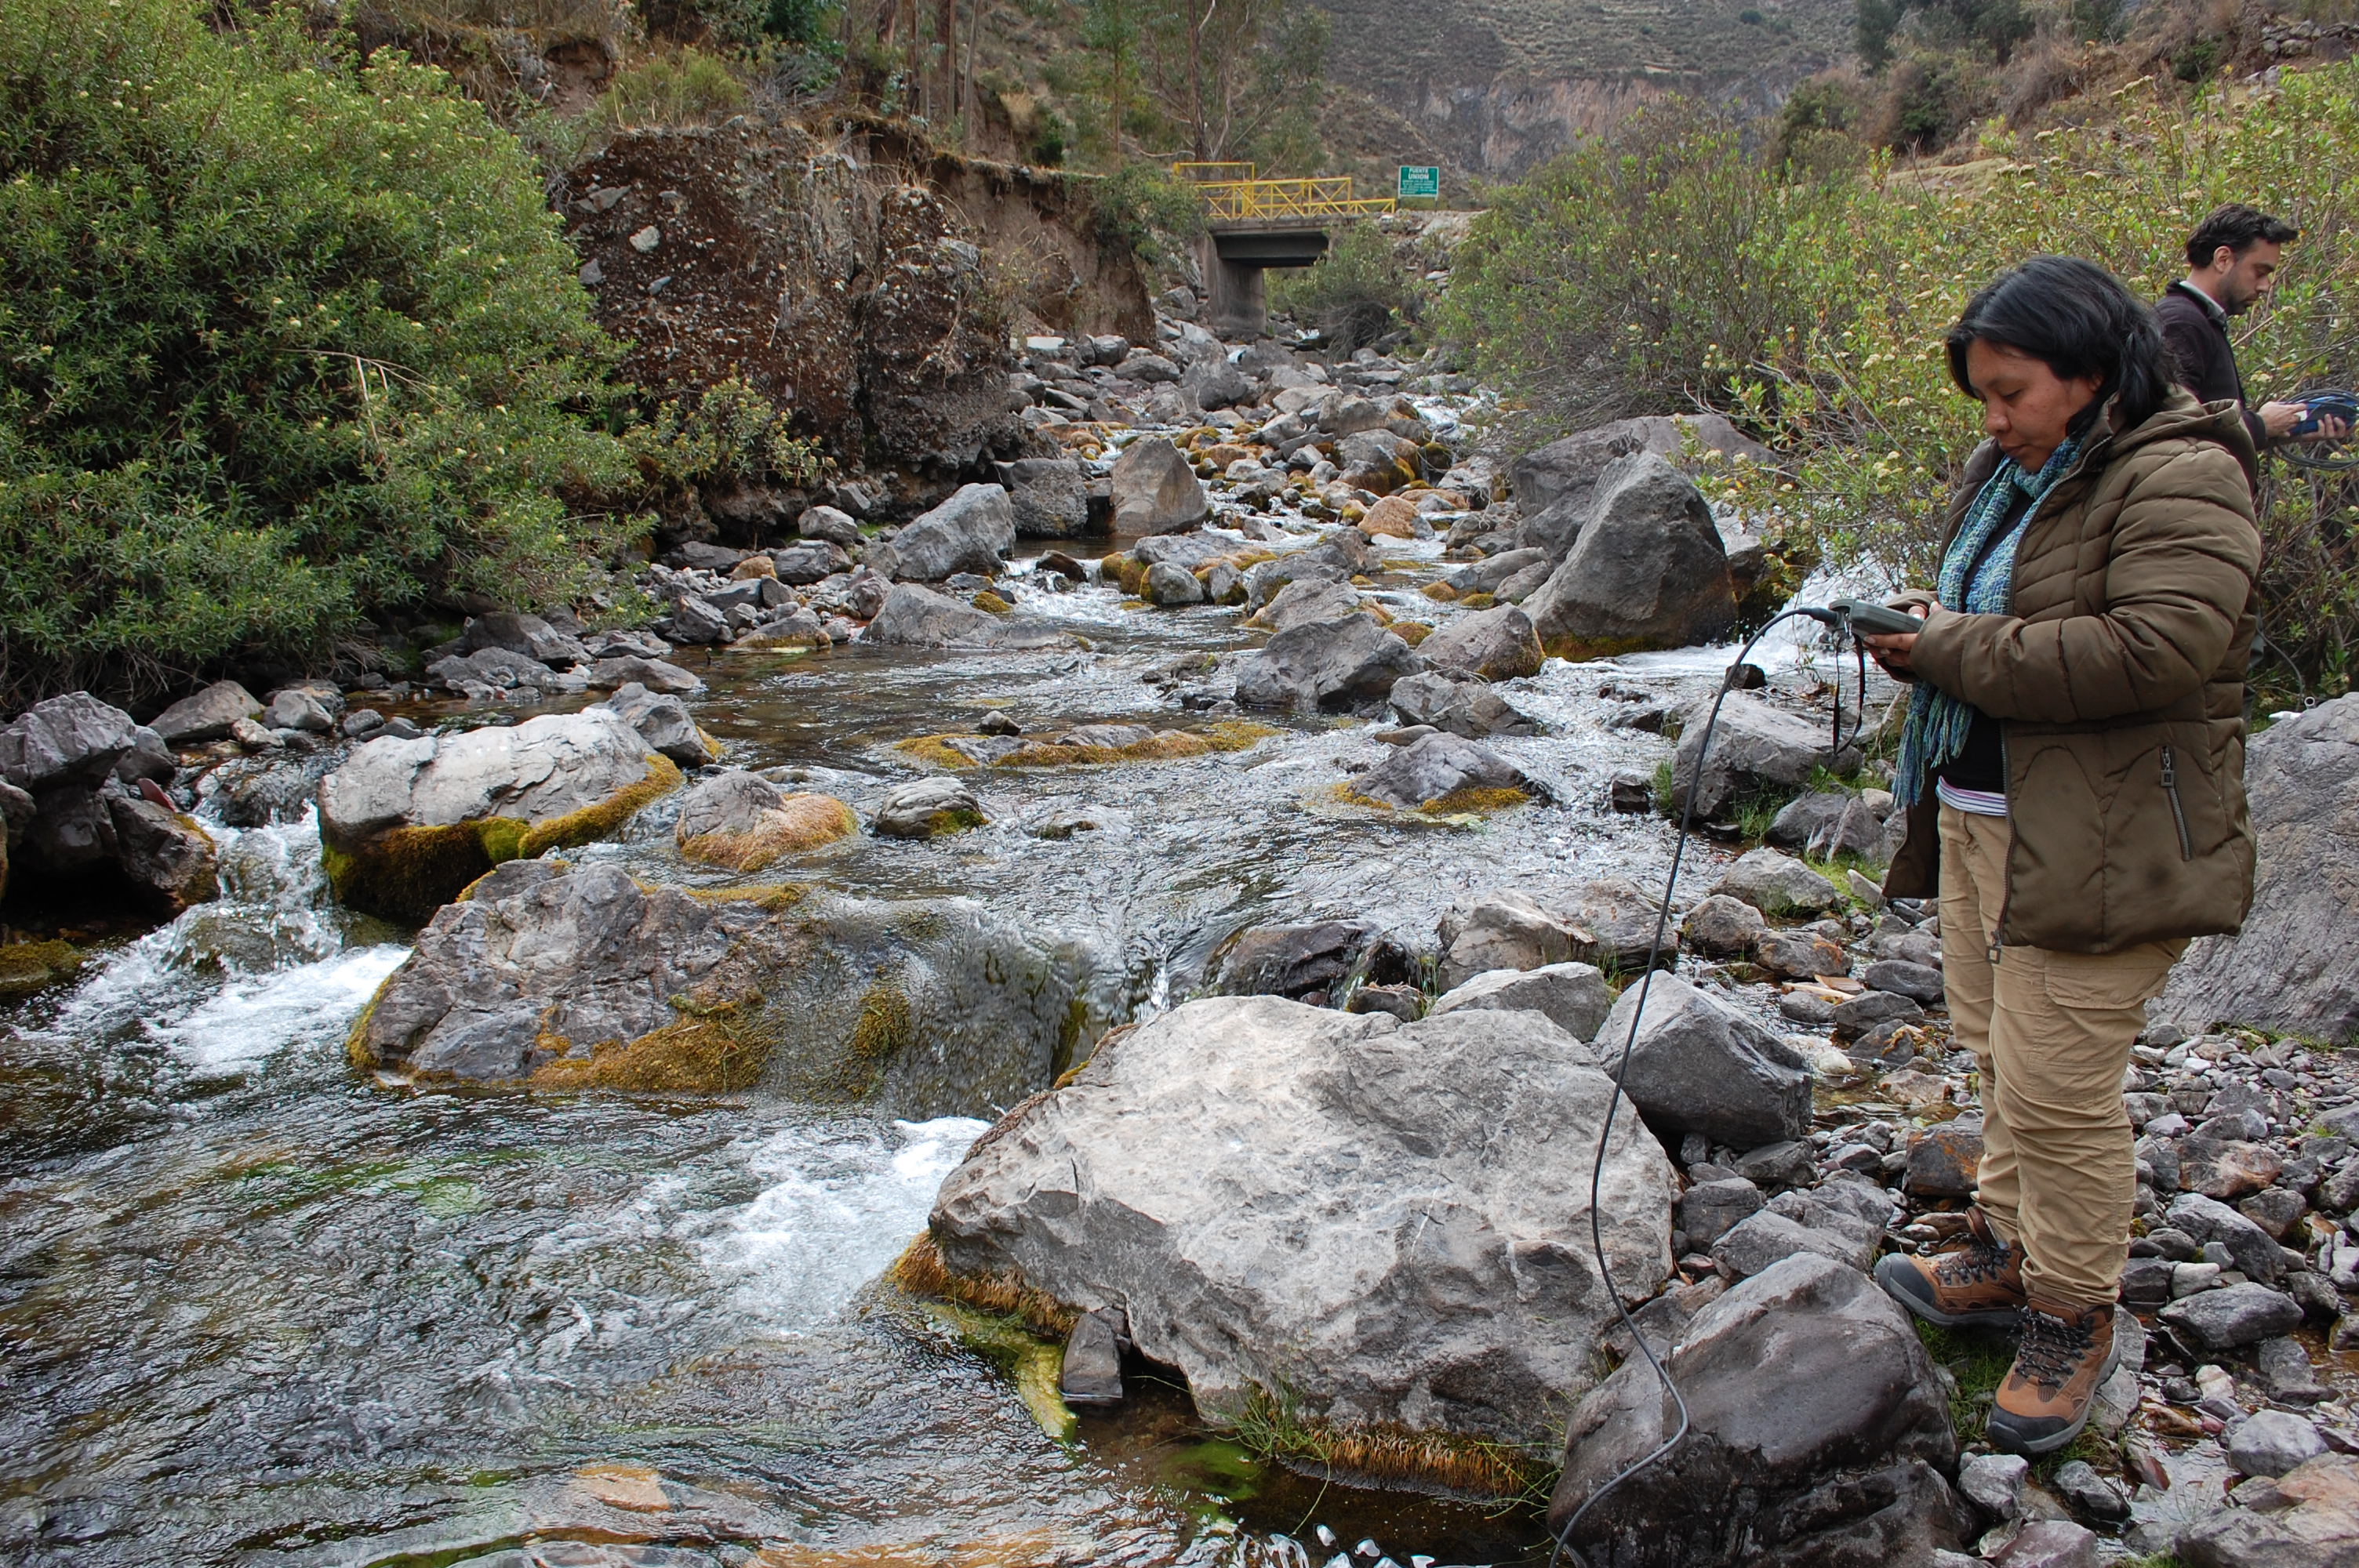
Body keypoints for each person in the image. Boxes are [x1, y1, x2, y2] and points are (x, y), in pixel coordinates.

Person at [1862, 256, 2261, 1457]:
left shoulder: (2186, 473)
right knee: (1997, 1055)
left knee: (2059, 1090)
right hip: (1992, 812)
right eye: (1981, 396)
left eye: (2010, 392)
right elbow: (2001, 618)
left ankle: (2072, 1314)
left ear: (2091, 375)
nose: (1992, 420)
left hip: (2111, 834)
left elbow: (2155, 649)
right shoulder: (2022, 470)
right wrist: (1928, 636)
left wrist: (1949, 649)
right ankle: (2004, 1247)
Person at [2155, 202, 2348, 450]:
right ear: (2223, 259)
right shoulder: (2182, 322)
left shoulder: (2200, 320)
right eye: (2260, 272)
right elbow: (2171, 428)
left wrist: (2281, 430)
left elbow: (2205, 432)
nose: (2265, 286)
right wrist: (2260, 424)